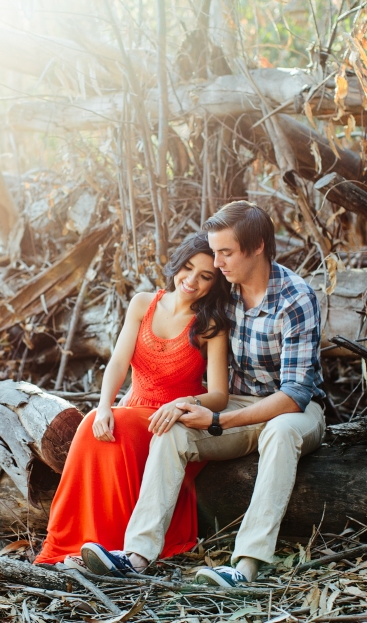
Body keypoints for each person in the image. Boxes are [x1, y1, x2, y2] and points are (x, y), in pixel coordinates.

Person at [80, 201, 325, 587]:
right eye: (216, 252)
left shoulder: (296, 298)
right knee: (173, 430)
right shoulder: (223, 293)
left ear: (258, 245)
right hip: (241, 404)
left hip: (294, 410)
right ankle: (137, 555)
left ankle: (244, 567)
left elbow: (295, 394)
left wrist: (217, 420)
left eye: (226, 252)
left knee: (280, 432)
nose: (219, 261)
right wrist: (184, 402)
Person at [33, 232, 231, 568]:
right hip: (132, 407)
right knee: (88, 428)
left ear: (215, 283)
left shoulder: (210, 324)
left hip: (172, 421)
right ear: (177, 264)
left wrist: (182, 403)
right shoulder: (143, 303)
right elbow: (118, 363)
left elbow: (219, 395)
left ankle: (113, 551)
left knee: (120, 433)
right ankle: (71, 543)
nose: (192, 281)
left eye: (205, 276)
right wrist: (104, 407)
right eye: (188, 268)